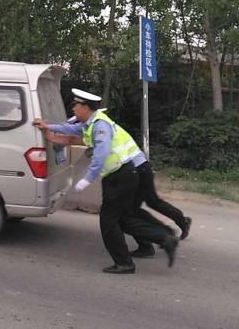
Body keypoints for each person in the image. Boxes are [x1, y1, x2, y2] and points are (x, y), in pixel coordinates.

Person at [34, 89, 178, 274]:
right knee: (124, 219)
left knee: (109, 221)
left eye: (76, 105)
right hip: (122, 174)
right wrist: (46, 126)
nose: (74, 109)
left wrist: (87, 179)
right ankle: (164, 239)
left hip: (120, 176)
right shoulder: (89, 124)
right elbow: (69, 129)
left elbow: (100, 156)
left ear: (85, 107)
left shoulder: (101, 126)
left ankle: (125, 262)